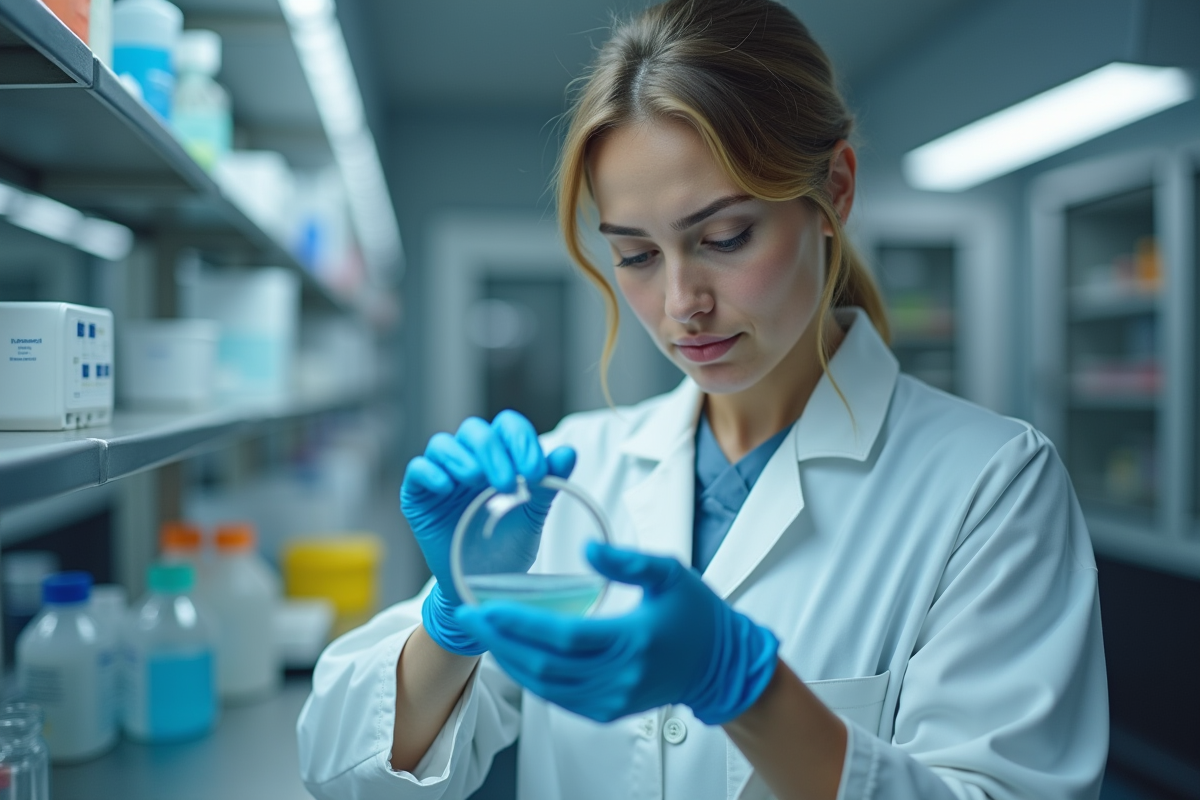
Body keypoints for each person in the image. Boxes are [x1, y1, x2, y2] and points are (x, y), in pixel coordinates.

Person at [297, 0, 1108, 798]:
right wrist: (453, 615)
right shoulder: (574, 478)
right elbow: (343, 767)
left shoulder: (991, 487)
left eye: (724, 239)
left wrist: (747, 690)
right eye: (638, 254)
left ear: (836, 191)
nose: (682, 301)